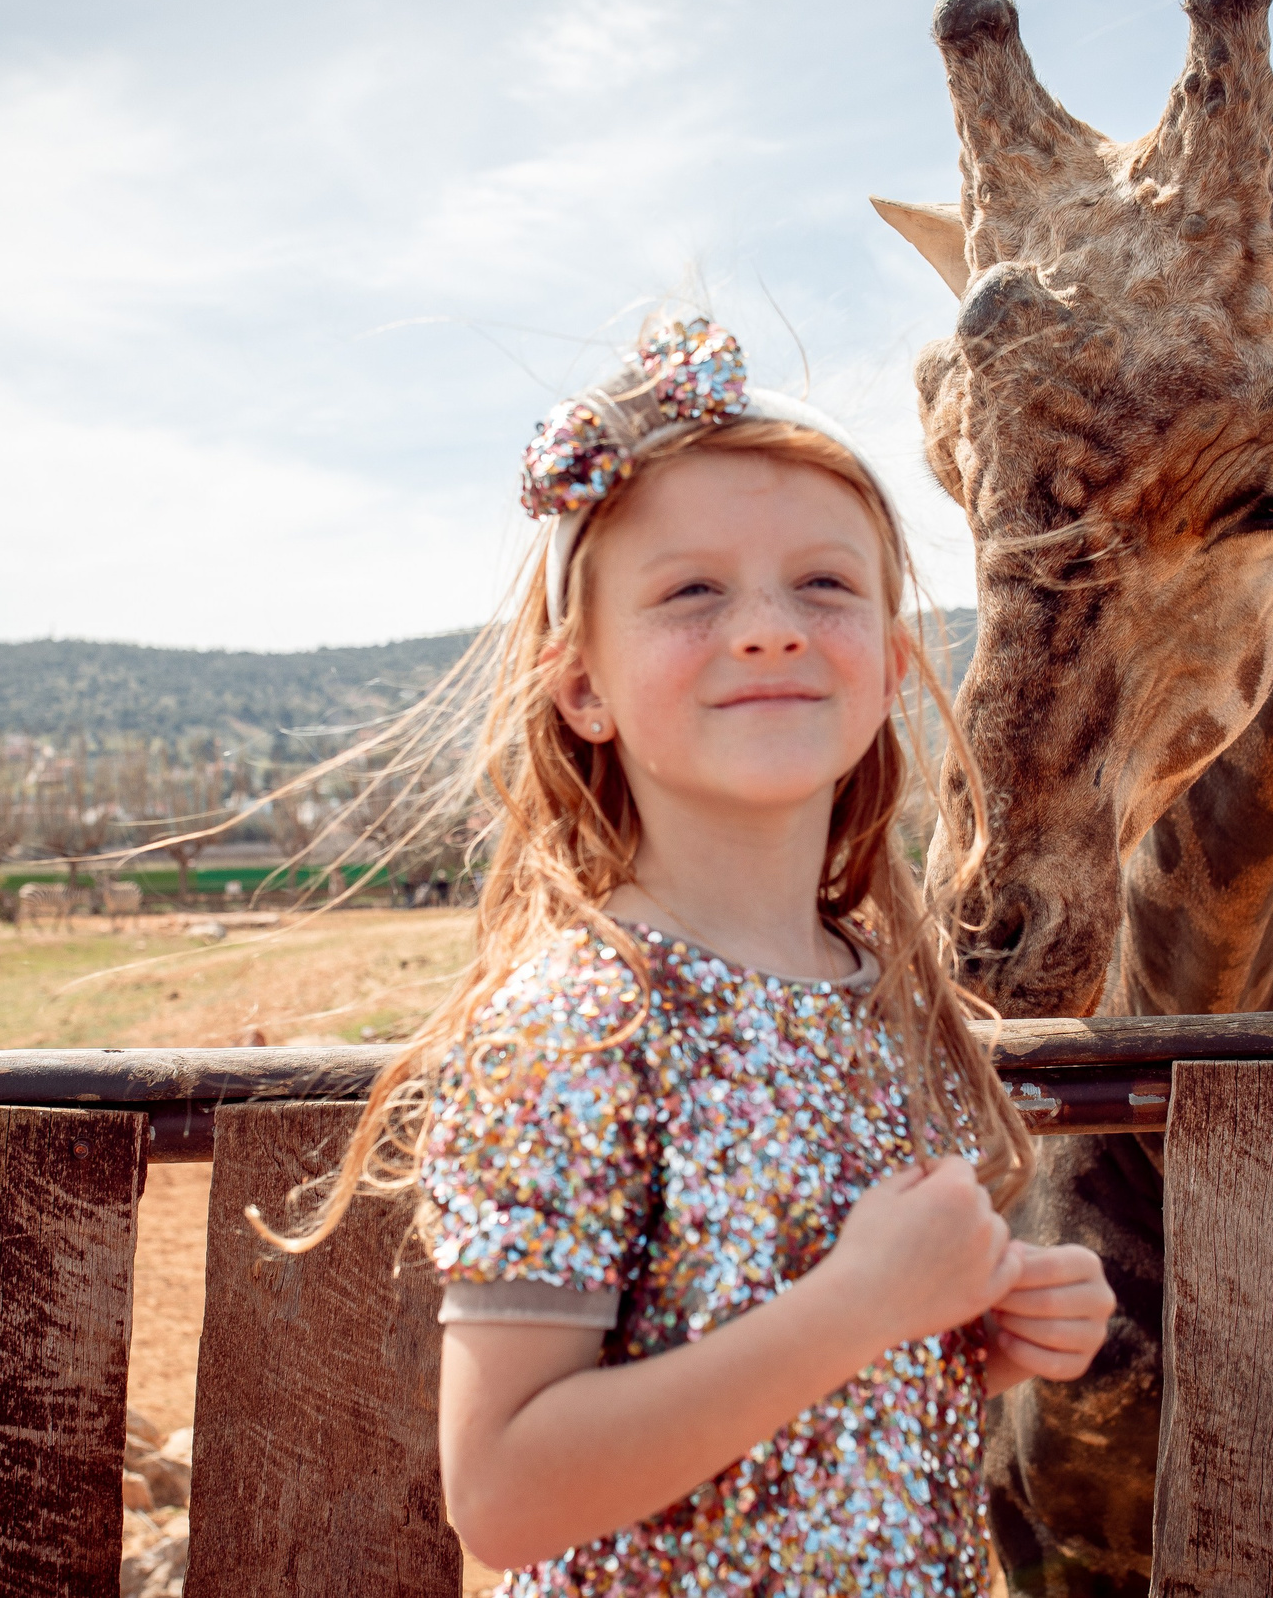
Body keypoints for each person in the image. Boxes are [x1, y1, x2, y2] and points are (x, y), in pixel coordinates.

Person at [255, 318, 1114, 1592]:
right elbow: (503, 1495)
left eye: (823, 583)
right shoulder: (580, 1025)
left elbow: (805, 1388)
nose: (766, 626)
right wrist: (862, 1306)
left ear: (889, 660)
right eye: (689, 591)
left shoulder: (886, 995)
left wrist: (974, 1322)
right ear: (582, 685)